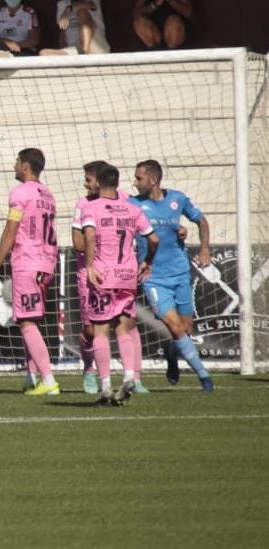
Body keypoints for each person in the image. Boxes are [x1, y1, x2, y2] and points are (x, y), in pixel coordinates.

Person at [130, 159, 214, 391]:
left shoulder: (178, 199)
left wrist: (205, 248)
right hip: (153, 276)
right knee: (175, 327)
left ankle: (171, 355)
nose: (135, 183)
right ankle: (205, 377)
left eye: (139, 178)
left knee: (185, 328)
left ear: (153, 180)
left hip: (179, 271)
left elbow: (201, 220)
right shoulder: (132, 204)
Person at [81, 163, 159, 404]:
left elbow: (90, 235)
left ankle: (105, 386)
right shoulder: (131, 208)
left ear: (99, 182)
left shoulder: (90, 207)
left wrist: (91, 265)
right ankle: (128, 376)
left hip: (103, 275)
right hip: (127, 274)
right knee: (123, 329)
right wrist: (147, 261)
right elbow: (153, 239)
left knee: (101, 331)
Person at [0, 148, 59, 395]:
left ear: (26, 165)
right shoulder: (48, 194)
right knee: (30, 320)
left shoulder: (21, 193)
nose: (14, 167)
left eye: (17, 162)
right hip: (47, 262)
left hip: (28, 262)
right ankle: (32, 377)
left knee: (27, 321)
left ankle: (49, 382)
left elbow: (11, 229)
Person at [70, 161, 105, 394]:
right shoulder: (83, 204)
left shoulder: (121, 201)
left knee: (124, 325)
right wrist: (100, 239)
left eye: (89, 179)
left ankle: (134, 377)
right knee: (91, 330)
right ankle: (89, 369)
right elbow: (78, 243)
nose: (85, 183)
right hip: (88, 272)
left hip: (115, 273)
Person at [39, 0, 110, 56]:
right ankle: (81, 57)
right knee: (44, 53)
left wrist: (68, 10)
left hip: (93, 45)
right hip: (75, 49)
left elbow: (90, 4)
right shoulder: (62, 4)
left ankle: (85, 53)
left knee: (81, 12)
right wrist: (63, 50)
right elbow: (63, 30)